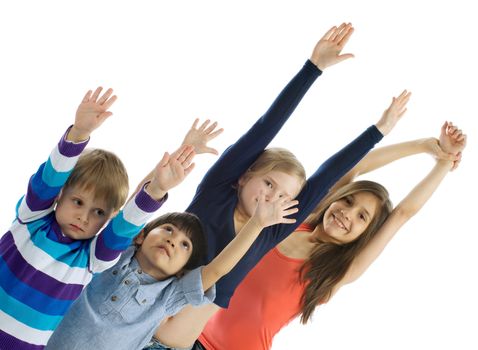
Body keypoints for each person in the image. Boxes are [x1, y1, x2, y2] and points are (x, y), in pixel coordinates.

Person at [144, 23, 411, 350]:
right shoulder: (217, 191)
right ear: (244, 175)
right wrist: (312, 69)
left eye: (284, 196)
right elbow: (264, 128)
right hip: (129, 322)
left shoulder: (270, 229)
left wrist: (378, 131)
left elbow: (327, 175)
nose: (273, 197)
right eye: (268, 184)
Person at [196, 121, 465, 350]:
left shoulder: (339, 271)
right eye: (348, 201)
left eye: (362, 217)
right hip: (186, 333)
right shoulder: (289, 221)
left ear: (366, 233)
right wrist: (423, 146)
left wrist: (443, 163)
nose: (348, 214)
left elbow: (403, 213)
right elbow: (352, 167)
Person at [0, 87, 194, 349]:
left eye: (98, 212)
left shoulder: (91, 259)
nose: (83, 216)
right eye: (78, 202)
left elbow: (126, 225)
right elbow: (50, 178)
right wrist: (79, 133)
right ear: (60, 194)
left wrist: (158, 189)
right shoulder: (31, 219)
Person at [45, 180, 299, 350]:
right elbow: (130, 213)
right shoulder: (117, 254)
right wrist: (159, 182)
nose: (173, 240)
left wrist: (256, 224)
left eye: (185, 245)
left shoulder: (170, 294)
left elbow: (218, 269)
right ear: (143, 235)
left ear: (182, 270)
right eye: (168, 229)